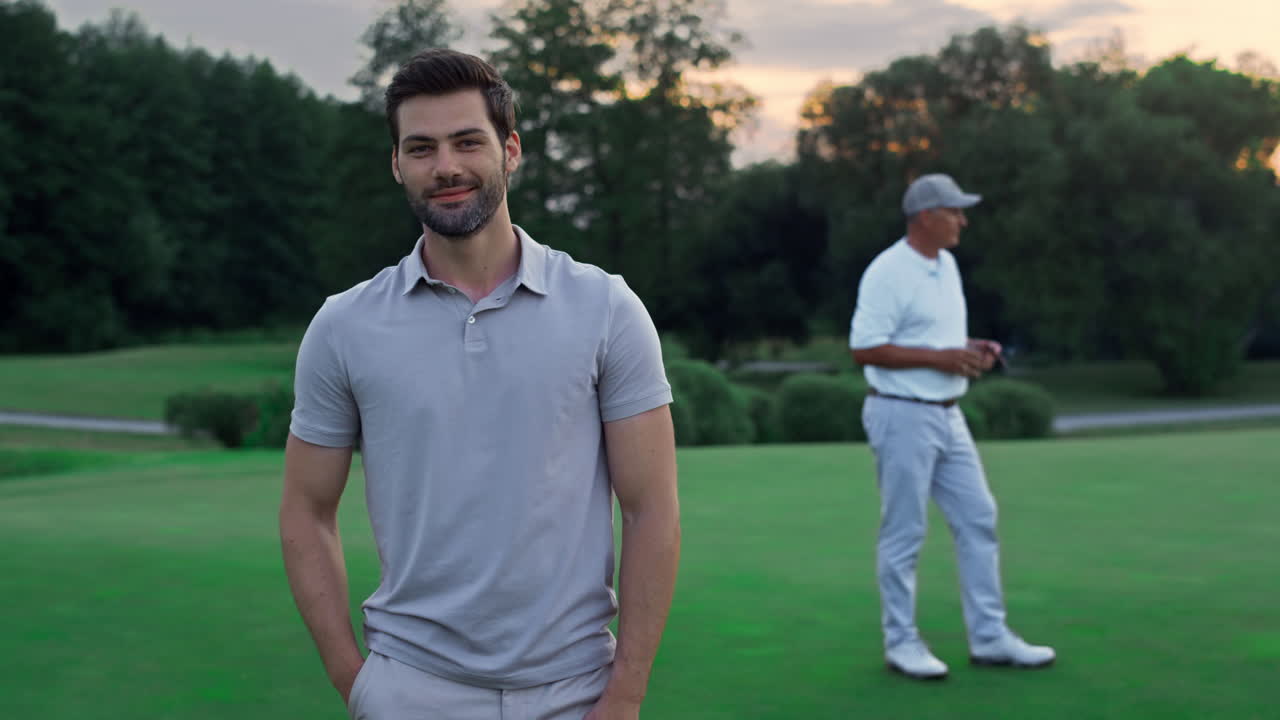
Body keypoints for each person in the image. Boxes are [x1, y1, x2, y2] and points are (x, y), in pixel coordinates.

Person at [279, 49, 680, 719]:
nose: (446, 167)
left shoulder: (605, 308)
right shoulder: (344, 325)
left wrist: (626, 694)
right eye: (421, 147)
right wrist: (357, 681)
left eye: (468, 141)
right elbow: (304, 511)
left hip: (576, 691)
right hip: (410, 691)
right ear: (397, 164)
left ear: (511, 150)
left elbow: (651, 511)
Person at [848, 173, 1054, 680]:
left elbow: (934, 340)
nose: (963, 219)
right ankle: (902, 643)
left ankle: (989, 638)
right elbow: (865, 347)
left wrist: (970, 349)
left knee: (979, 516)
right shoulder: (888, 271)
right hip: (900, 412)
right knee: (905, 531)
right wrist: (942, 358)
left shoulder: (948, 265)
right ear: (925, 217)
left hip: (947, 413)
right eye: (955, 211)